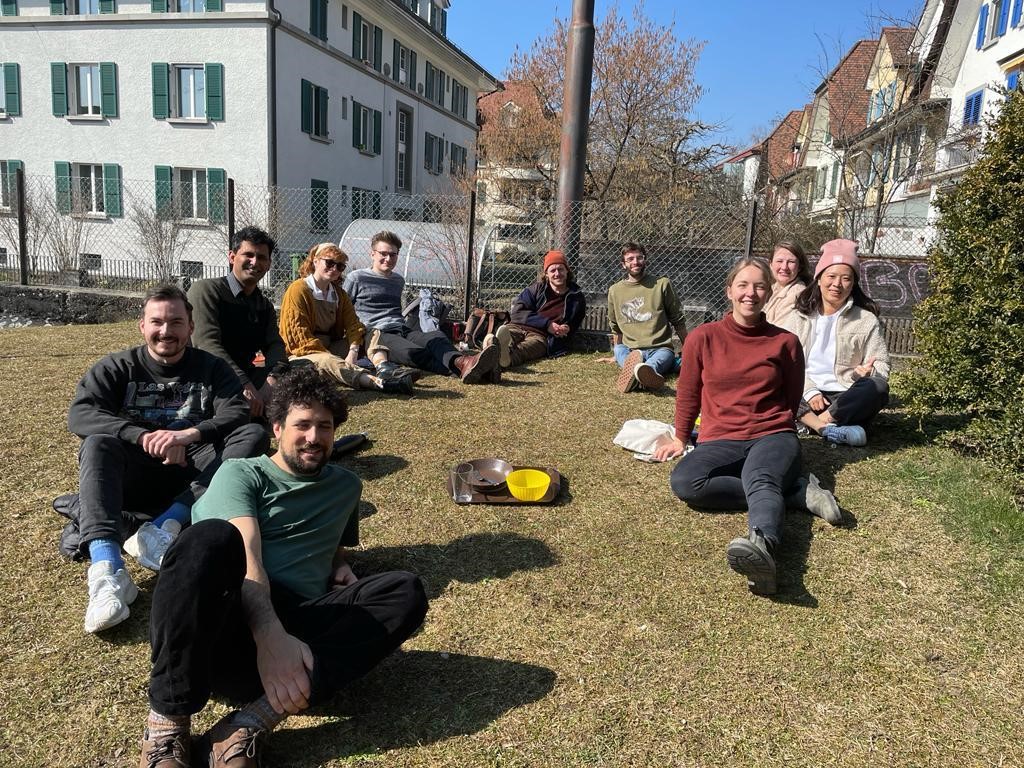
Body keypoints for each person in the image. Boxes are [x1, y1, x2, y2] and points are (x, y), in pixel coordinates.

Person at [137, 367, 428, 768]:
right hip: (229, 626)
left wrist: (338, 564)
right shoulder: (241, 473)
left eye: (324, 426)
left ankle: (246, 725)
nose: (314, 437)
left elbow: (333, 542)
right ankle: (168, 727)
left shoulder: (346, 487)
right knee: (210, 538)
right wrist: (271, 637)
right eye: (302, 425)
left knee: (405, 590)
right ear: (276, 428)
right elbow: (248, 555)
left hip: (299, 642)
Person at [66, 284, 268, 633]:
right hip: (136, 471)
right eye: (157, 322)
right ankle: (107, 572)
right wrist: (143, 436)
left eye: (176, 322)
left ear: (191, 326)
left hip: (196, 473)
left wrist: (189, 434)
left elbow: (237, 410)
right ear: (142, 325)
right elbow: (81, 415)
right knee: (97, 444)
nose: (166, 331)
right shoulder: (117, 367)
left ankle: (165, 527)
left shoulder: (212, 368)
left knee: (253, 435)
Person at [653, 257, 842, 596]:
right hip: (719, 439)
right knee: (686, 482)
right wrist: (681, 436)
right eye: (742, 285)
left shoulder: (784, 343)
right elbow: (688, 392)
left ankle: (764, 547)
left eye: (758, 286)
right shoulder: (702, 338)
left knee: (760, 476)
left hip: (772, 435)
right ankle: (796, 492)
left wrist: (774, 428)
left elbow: (790, 397)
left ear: (768, 293)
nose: (750, 293)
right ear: (729, 291)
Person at [343, 230, 499, 383]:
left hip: (401, 329)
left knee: (435, 337)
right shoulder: (356, 278)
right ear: (372, 254)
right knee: (415, 352)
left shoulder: (397, 280)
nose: (388, 258)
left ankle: (464, 362)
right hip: (376, 334)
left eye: (393, 254)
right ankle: (480, 372)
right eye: (383, 253)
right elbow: (343, 310)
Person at [780, 238, 891, 447]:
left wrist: (867, 373)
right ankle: (838, 429)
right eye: (831, 276)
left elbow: (882, 364)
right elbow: (783, 360)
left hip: (844, 397)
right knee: (774, 380)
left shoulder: (866, 320)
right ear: (819, 279)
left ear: (854, 283)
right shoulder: (798, 317)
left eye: (846, 278)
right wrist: (810, 390)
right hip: (803, 393)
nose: (837, 284)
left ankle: (817, 424)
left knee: (877, 387)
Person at [279, 243, 414, 395]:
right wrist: (335, 359)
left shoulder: (338, 294)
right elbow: (297, 338)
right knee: (328, 361)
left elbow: (354, 325)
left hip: (330, 346)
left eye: (340, 266)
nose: (334, 269)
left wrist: (353, 351)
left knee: (370, 333)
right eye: (329, 263)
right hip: (303, 353)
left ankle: (383, 368)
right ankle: (379, 383)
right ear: (315, 261)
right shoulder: (298, 290)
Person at [188, 226, 289, 419]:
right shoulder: (206, 291)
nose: (254, 262)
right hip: (207, 376)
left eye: (261, 257)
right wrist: (243, 383)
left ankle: (264, 407)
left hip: (247, 374)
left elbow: (275, 345)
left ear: (268, 264)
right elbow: (207, 345)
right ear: (232, 257)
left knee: (304, 371)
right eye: (248, 255)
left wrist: (272, 381)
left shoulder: (263, 305)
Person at [607, 242, 687, 393]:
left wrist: (689, 351)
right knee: (619, 349)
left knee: (659, 360)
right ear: (623, 265)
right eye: (630, 259)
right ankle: (637, 372)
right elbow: (615, 326)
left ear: (645, 260)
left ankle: (642, 372)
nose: (635, 262)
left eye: (639, 257)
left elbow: (678, 320)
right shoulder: (615, 291)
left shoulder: (662, 284)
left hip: (660, 348)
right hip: (631, 351)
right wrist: (616, 356)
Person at [491, 249, 587, 368]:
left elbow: (575, 322)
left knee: (526, 349)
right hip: (518, 326)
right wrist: (547, 324)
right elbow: (517, 312)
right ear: (546, 274)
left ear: (567, 271)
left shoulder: (577, 297)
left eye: (561, 269)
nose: (557, 274)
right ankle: (493, 346)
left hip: (541, 336)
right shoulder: (536, 289)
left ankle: (505, 358)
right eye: (553, 270)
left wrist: (567, 328)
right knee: (507, 336)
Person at [764, 240, 812, 325]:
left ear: (800, 267)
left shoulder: (797, 294)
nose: (784, 267)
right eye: (779, 261)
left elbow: (778, 331)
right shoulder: (773, 287)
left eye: (791, 262)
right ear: (770, 264)